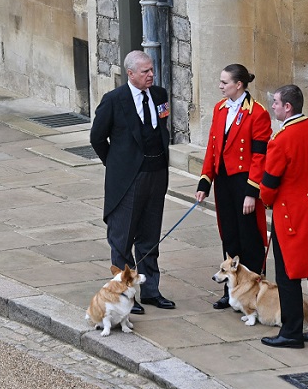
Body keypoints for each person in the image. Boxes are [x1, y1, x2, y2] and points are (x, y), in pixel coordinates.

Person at [90, 50, 175, 315]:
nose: (150, 75)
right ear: (130, 74)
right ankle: (126, 294)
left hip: (156, 174)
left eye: (151, 70)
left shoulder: (160, 95)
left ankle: (150, 290)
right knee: (123, 238)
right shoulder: (114, 100)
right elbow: (97, 138)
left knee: (149, 237)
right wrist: (116, 166)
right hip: (127, 180)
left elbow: (162, 128)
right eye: (145, 71)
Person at [259, 84, 308, 348]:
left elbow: (268, 187)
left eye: (276, 102)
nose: (273, 106)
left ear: (288, 107)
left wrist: (268, 201)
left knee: (288, 275)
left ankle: (291, 332)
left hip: (291, 215)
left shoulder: (281, 140)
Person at [195, 64, 272, 309]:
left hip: (244, 181)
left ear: (238, 84)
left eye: (224, 82)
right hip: (224, 182)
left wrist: (252, 193)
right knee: (229, 235)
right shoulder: (220, 109)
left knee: (248, 237)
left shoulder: (257, 112)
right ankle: (232, 290)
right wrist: (205, 180)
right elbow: (213, 147)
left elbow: (260, 156)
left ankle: (256, 290)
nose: (220, 86)